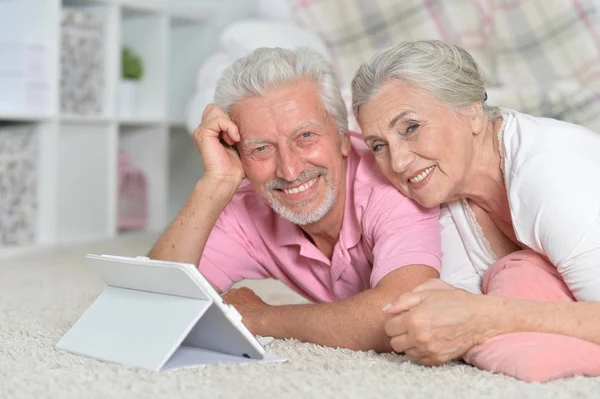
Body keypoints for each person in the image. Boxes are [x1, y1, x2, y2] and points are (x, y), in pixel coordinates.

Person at [148, 47, 449, 353]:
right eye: (261, 149)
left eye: (305, 136)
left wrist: (261, 317)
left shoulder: (390, 182)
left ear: (344, 137)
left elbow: (403, 315)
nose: (290, 171)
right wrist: (215, 183)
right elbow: (151, 306)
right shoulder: (246, 205)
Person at [351, 39, 600, 382]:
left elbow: (479, 317)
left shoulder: (551, 174)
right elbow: (450, 316)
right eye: (379, 145)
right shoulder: (439, 196)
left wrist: (491, 315)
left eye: (411, 127)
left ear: (471, 112)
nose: (398, 161)